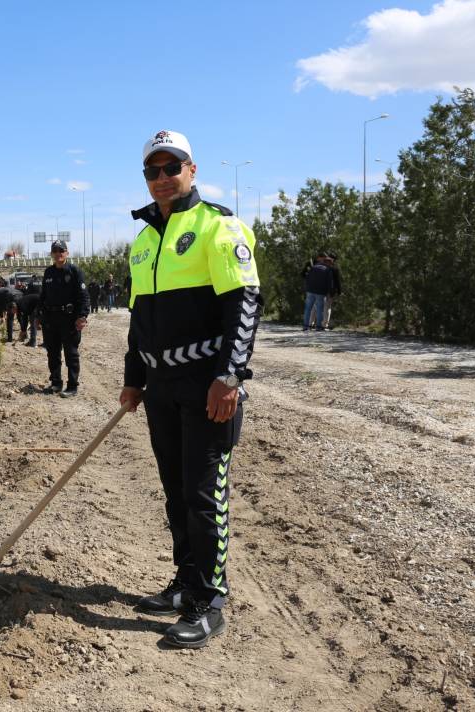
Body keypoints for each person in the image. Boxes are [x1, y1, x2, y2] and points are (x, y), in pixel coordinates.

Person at [121, 129, 263, 649]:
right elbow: (140, 321)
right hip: (160, 388)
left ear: (191, 170)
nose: (161, 179)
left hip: (209, 387)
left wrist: (230, 378)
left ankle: (209, 601)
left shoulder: (219, 227)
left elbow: (243, 306)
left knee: (205, 497)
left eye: (170, 168)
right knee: (175, 492)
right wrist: (134, 380)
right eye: (152, 171)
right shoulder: (142, 240)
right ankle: (185, 583)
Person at [40, 240, 90, 397]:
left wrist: (82, 316)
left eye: (61, 250)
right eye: (55, 250)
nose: (58, 253)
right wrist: (38, 316)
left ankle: (72, 386)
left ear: (67, 253)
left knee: (71, 354)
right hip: (51, 319)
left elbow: (84, 296)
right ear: (51, 254)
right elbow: (43, 296)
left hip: (69, 319)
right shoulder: (48, 272)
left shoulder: (75, 271)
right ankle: (56, 383)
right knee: (52, 353)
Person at [303, 253, 333, 331]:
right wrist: (329, 292)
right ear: (327, 263)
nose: (331, 265)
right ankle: (318, 327)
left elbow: (307, 278)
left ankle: (305, 326)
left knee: (308, 309)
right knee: (320, 309)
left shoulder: (313, 267)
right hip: (320, 292)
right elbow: (329, 283)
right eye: (330, 263)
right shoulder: (327, 270)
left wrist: (307, 288)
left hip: (310, 291)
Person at [324, 252, 343, 330]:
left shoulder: (324, 267)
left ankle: (317, 323)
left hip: (322, 290)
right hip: (331, 291)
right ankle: (325, 324)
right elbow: (337, 281)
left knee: (321, 307)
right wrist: (339, 291)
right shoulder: (335, 269)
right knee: (328, 307)